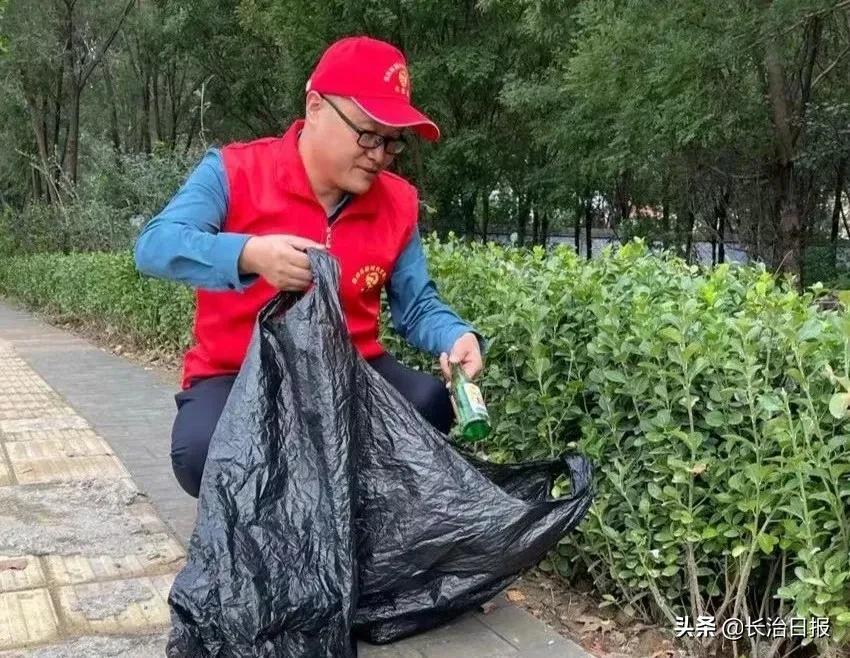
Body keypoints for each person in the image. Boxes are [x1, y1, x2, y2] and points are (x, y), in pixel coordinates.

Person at [133, 36, 486, 498]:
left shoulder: (397, 203)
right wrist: (249, 255)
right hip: (239, 370)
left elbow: (417, 305)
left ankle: (353, 520)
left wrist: (457, 337)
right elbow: (154, 246)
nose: (379, 154)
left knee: (429, 403)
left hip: (350, 369)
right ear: (316, 106)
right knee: (202, 452)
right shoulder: (233, 172)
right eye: (367, 133)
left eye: (392, 142)